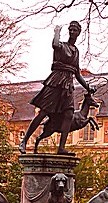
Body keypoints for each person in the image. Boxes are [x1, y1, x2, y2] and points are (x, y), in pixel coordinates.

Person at [19, 21, 94, 155]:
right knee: (43, 112)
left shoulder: (76, 51)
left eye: (75, 30)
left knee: (69, 114)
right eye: (70, 30)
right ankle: (24, 140)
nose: (72, 32)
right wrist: (57, 32)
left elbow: (77, 73)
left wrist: (88, 87)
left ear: (78, 33)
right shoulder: (61, 45)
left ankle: (61, 148)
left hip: (68, 85)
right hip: (56, 81)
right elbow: (54, 44)